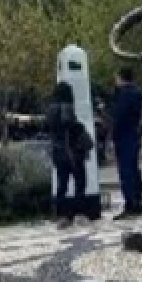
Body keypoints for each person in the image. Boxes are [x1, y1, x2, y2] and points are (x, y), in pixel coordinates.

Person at [47, 81, 93, 227]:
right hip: (71, 152)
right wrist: (80, 128)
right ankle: (79, 213)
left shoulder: (50, 109)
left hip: (57, 151)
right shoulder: (67, 106)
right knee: (80, 182)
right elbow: (70, 126)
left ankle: (61, 214)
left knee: (62, 184)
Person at [110, 67, 142, 220]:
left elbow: (119, 116)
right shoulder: (137, 93)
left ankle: (131, 204)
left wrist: (113, 134)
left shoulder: (124, 95)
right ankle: (140, 199)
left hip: (124, 136)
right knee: (134, 169)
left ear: (121, 78)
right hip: (134, 134)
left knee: (126, 171)